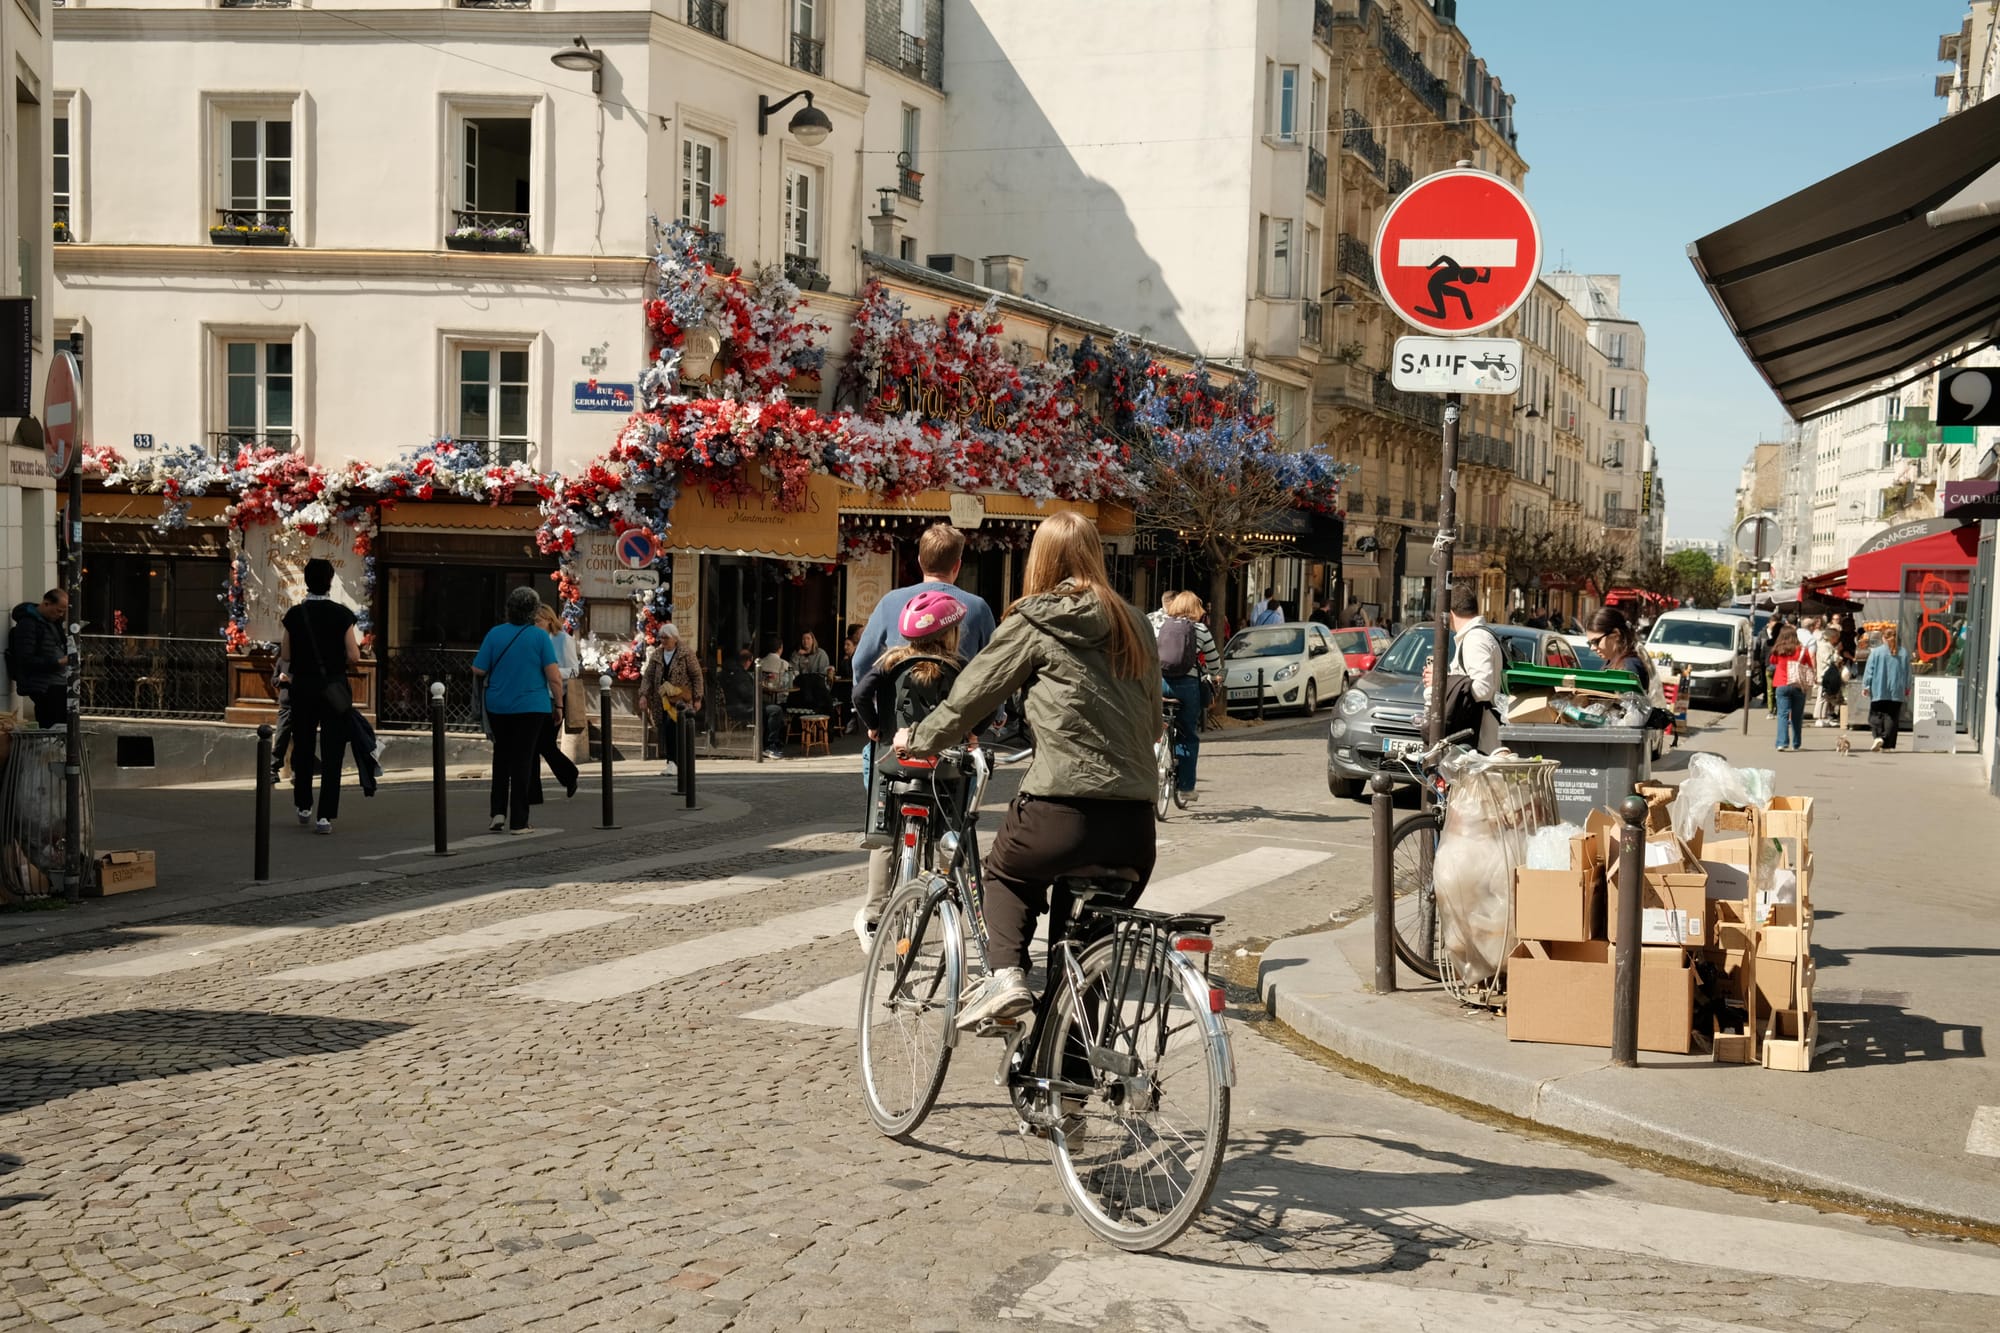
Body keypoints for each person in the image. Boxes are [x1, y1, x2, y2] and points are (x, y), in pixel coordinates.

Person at [900, 510, 1160, 1029]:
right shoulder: (1136, 623)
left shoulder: (1036, 619)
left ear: (1039, 559)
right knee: (1082, 959)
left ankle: (1005, 978)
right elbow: (1153, 724)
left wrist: (920, 740)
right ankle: (1067, 1085)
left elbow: (971, 696)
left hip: (1060, 812)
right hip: (1134, 826)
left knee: (1006, 874)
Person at [851, 591, 972, 948]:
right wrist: (974, 734)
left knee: (885, 835)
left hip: (895, 760)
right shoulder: (958, 667)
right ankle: (950, 896)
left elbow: (859, 694)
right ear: (950, 634)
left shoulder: (891, 661)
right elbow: (975, 706)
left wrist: (875, 726)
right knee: (950, 829)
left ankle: (873, 916)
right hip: (941, 767)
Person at [850, 524, 998, 688]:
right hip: (956, 710)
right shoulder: (978, 608)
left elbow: (861, 663)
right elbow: (992, 671)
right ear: (957, 565)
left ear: (920, 561)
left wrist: (877, 706)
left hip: (899, 709)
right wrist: (996, 713)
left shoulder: (889, 602)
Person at [278, 559, 361, 835]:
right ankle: (325, 816)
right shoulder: (342, 615)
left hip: (302, 687)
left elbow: (286, 655)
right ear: (330, 581)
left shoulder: (294, 615)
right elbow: (353, 655)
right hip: (333, 687)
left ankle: (303, 805)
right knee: (333, 749)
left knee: (302, 744)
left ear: (306, 580)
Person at [472, 587, 562, 833]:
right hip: (531, 707)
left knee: (501, 757)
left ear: (509, 609)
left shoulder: (495, 634)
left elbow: (478, 670)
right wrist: (560, 705)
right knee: (523, 761)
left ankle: (497, 812)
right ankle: (520, 821)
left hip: (498, 705)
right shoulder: (539, 637)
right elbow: (554, 677)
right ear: (533, 612)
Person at [1424, 583, 1505, 752]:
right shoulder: (1477, 636)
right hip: (1475, 741)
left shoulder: (1475, 639)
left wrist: (1441, 682)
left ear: (1450, 613)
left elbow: (1483, 689)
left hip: (1477, 743)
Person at [526, 604, 581, 803]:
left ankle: (569, 774)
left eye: (538, 621)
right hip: (536, 696)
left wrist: (553, 672)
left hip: (555, 697)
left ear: (549, 620)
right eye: (532, 622)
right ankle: (533, 792)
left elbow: (574, 670)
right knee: (534, 744)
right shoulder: (534, 640)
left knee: (543, 743)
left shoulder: (563, 639)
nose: (535, 625)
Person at [1157, 591, 1206, 802]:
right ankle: (1186, 787)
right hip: (1186, 687)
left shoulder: (1162, 625)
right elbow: (1213, 661)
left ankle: (1157, 752)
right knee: (1188, 735)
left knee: (1156, 727)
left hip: (1161, 684)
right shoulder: (1200, 629)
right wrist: (1217, 676)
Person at [639, 623, 704, 776]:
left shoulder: (686, 653)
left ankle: (675, 762)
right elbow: (648, 676)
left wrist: (698, 698)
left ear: (675, 638)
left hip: (680, 700)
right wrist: (643, 695)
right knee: (666, 729)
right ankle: (672, 762)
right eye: (661, 638)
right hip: (661, 700)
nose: (663, 641)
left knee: (673, 727)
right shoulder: (657, 654)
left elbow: (697, 676)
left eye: (666, 638)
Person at [7, 589, 70, 730]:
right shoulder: (28, 624)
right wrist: (57, 662)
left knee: (62, 724)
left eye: (63, 611)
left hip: (58, 681)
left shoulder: (53, 623)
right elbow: (26, 659)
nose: (60, 615)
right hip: (44, 685)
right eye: (58, 611)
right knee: (51, 723)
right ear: (47, 603)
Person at [1862, 627, 1911, 752]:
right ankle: (1887, 744)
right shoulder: (1903, 652)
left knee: (1876, 715)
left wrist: (1866, 686)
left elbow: (1869, 671)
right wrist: (1907, 687)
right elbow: (1907, 672)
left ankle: (1878, 736)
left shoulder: (1876, 652)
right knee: (1892, 717)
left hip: (1879, 688)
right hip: (1896, 690)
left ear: (1883, 638)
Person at [1768, 623, 1809, 752]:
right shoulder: (1802, 649)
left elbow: (1772, 661)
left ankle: (1781, 742)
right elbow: (1809, 664)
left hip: (1782, 684)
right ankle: (1796, 743)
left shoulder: (1778, 650)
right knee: (1797, 715)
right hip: (1797, 684)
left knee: (1782, 715)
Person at [756, 636, 795, 759]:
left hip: (762, 698)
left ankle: (772, 741)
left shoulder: (760, 662)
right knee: (777, 710)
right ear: (780, 649)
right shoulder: (784, 664)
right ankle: (773, 742)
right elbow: (791, 679)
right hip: (779, 698)